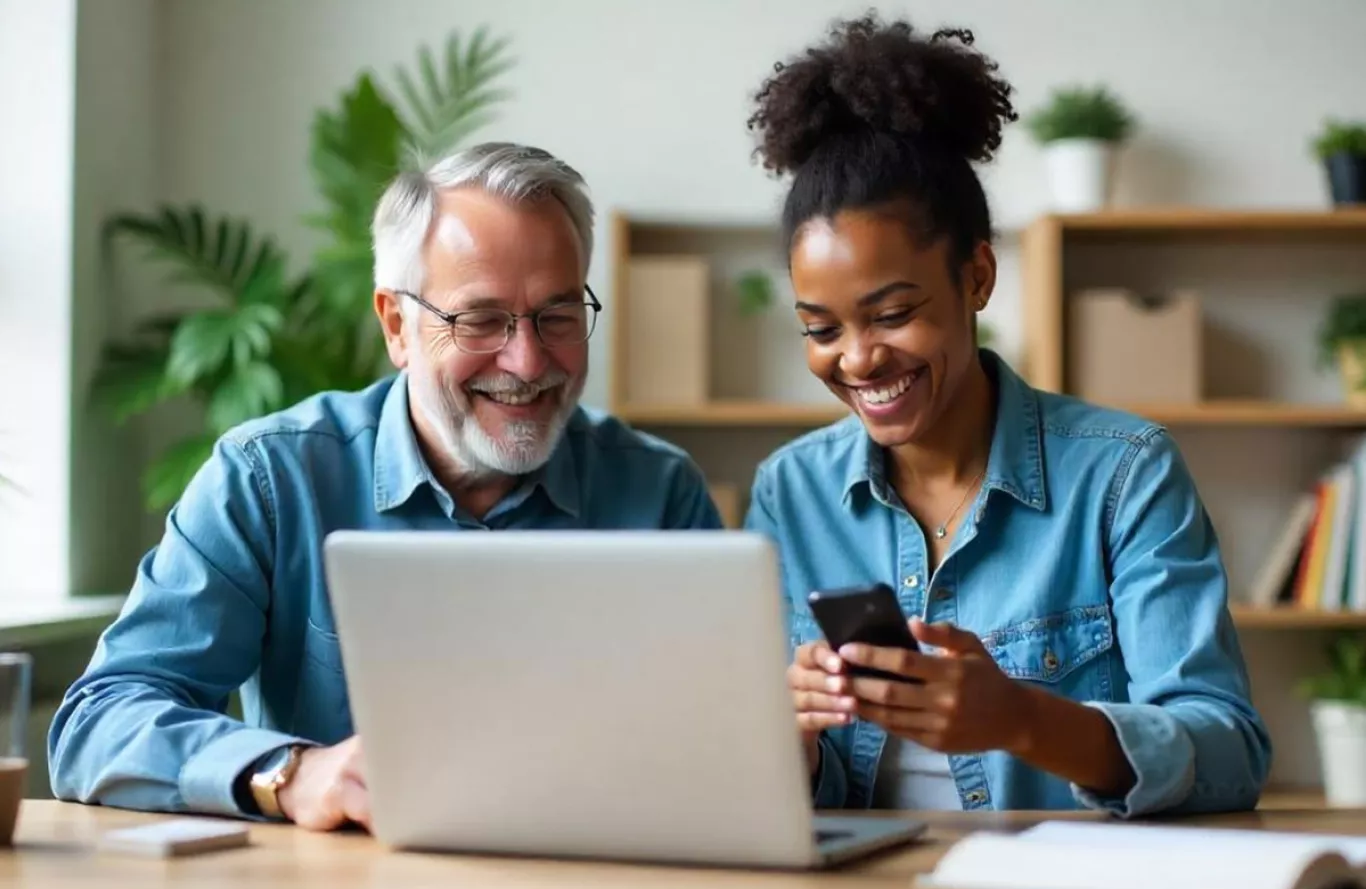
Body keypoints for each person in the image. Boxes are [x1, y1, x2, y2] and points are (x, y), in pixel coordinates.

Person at [48, 142, 723, 831]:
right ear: (398, 325)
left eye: (557, 316)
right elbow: (99, 721)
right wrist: (291, 773)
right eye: (481, 319)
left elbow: (728, 745)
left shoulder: (660, 492)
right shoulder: (270, 479)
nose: (526, 361)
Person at [742, 15, 1272, 817]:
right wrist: (790, 733)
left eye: (892, 313)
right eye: (821, 328)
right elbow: (794, 791)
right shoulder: (791, 492)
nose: (856, 359)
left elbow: (1229, 749)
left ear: (977, 276)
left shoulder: (1123, 472)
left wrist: (1025, 719)